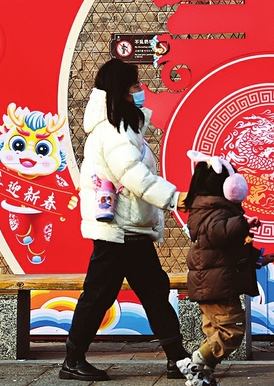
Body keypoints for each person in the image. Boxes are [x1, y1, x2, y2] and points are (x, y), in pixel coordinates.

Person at [60, 58, 190, 381]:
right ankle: (72, 359)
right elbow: (133, 175)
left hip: (129, 229)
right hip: (117, 231)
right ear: (121, 90)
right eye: (135, 85)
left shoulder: (123, 126)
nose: (140, 89)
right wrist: (175, 198)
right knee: (100, 295)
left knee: (152, 292)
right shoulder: (114, 130)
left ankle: (178, 358)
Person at [177, 151, 267, 386]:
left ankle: (201, 376)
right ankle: (194, 363)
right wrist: (242, 223)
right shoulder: (215, 212)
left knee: (214, 332)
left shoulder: (208, 209)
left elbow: (229, 247)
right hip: (216, 285)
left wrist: (258, 258)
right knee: (231, 330)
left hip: (213, 282)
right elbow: (219, 233)